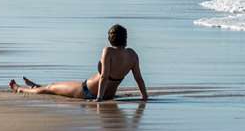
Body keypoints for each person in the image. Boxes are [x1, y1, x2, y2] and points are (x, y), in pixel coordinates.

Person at [8, 24, 148, 102]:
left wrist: (98, 98)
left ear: (110, 39)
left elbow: (104, 77)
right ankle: (36, 86)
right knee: (53, 87)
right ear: (125, 38)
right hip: (109, 95)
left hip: (87, 91)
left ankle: (20, 89)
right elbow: (139, 79)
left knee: (50, 87)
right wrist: (144, 97)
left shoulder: (108, 51)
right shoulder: (132, 55)